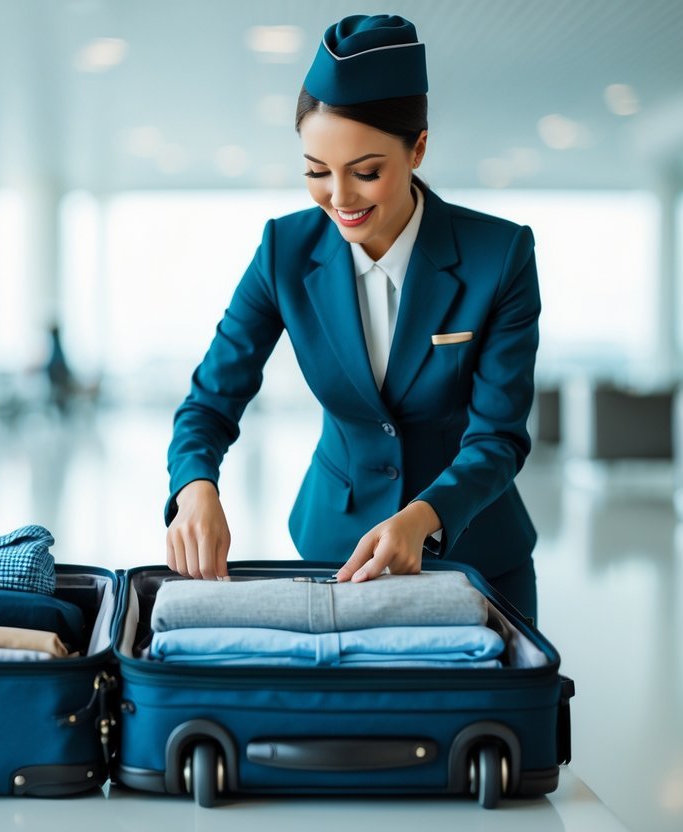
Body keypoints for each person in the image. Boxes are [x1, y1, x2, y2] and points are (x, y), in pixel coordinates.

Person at [164, 14, 541, 622]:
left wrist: (424, 515)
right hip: (332, 553)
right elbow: (210, 400)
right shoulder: (285, 252)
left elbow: (498, 435)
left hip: (476, 554)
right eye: (316, 171)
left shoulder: (500, 256)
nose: (339, 197)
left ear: (417, 147)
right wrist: (194, 487)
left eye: (366, 172)